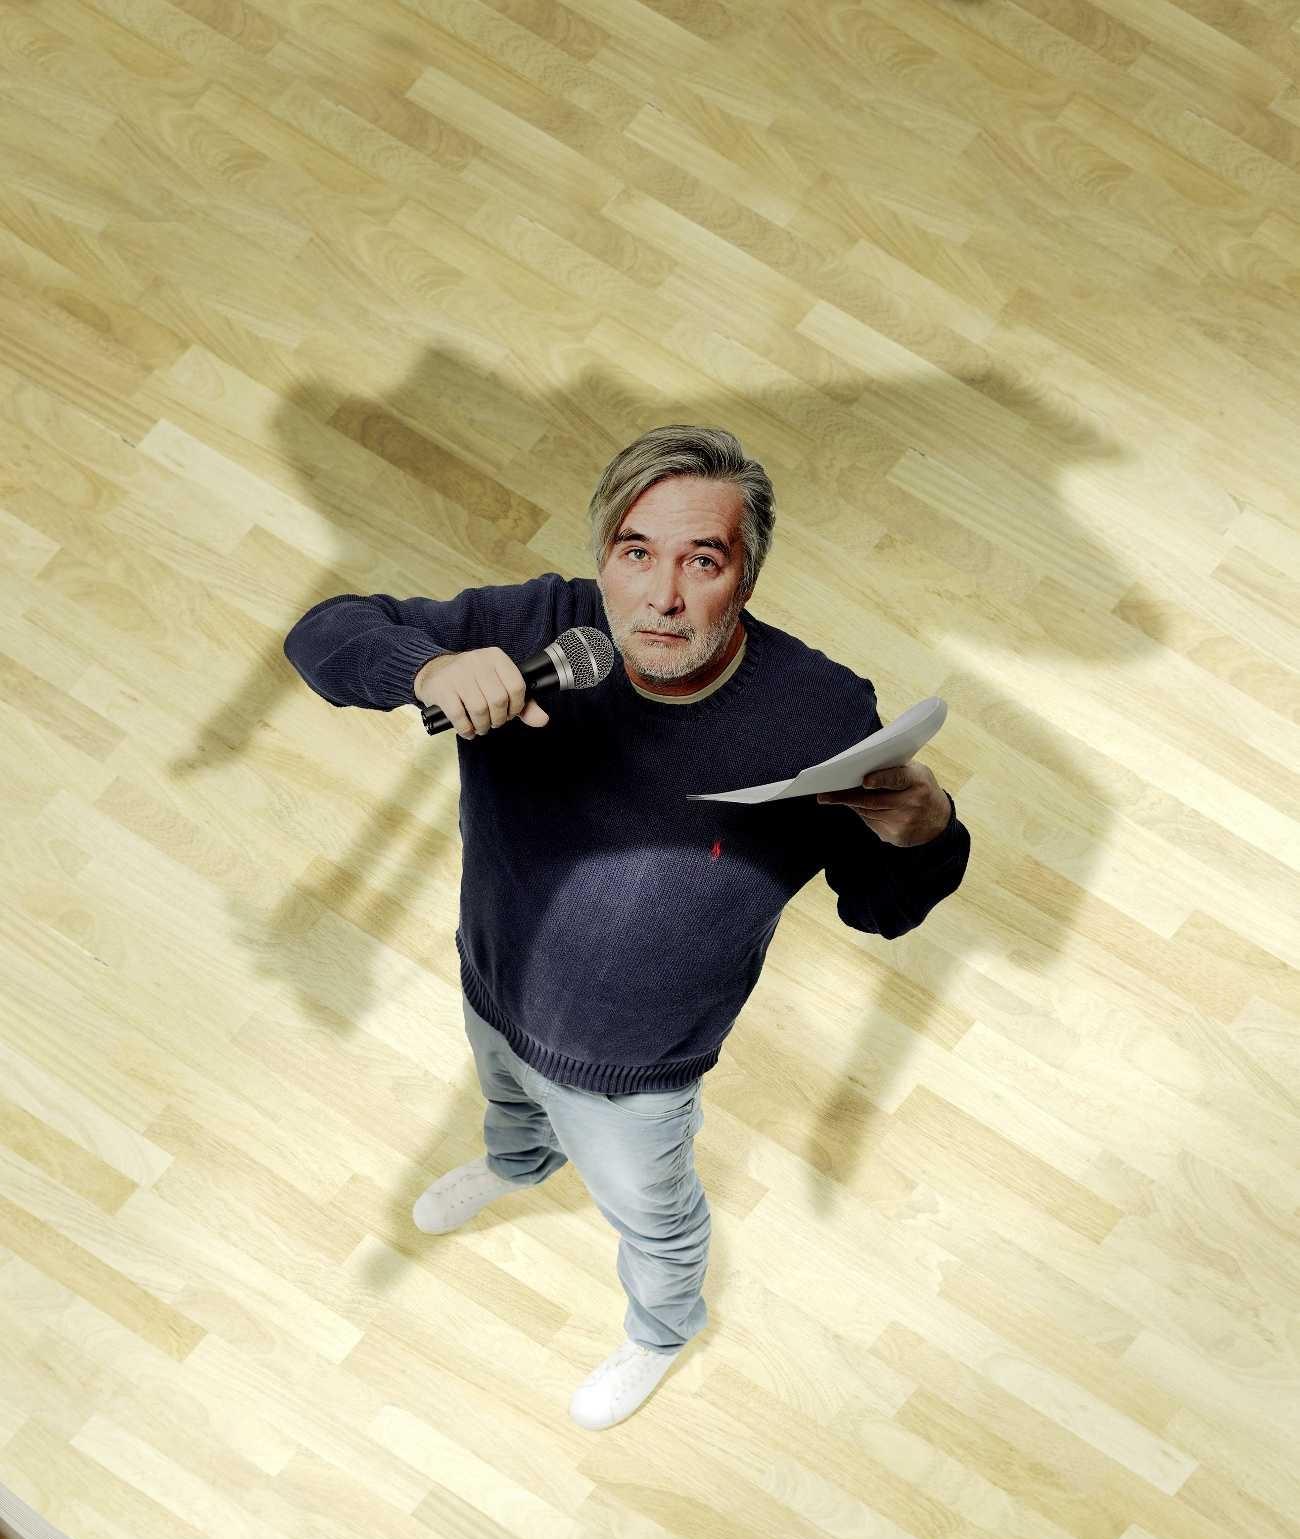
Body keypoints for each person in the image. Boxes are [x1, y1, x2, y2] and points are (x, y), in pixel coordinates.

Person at [283, 424, 970, 1427]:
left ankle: (663, 1328)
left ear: (745, 578)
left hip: (638, 1068)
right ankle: (520, 1165)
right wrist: (425, 671)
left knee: (654, 1217)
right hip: (492, 979)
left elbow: (880, 907)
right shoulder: (542, 624)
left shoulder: (819, 714)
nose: (662, 595)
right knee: (507, 1098)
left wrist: (927, 830)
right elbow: (325, 633)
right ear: (603, 557)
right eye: (636, 553)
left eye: (704, 561)